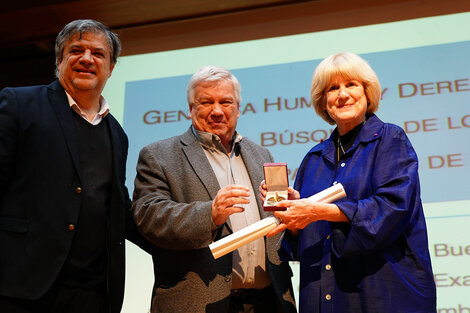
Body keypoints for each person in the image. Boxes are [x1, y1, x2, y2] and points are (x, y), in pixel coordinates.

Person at [262, 52, 436, 312]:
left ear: (367, 93)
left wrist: (320, 211)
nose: (342, 94)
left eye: (351, 85)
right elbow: (305, 246)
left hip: (383, 295)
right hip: (324, 298)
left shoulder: (390, 139)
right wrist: (294, 218)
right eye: (333, 88)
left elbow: (392, 208)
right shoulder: (314, 158)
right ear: (323, 102)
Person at [0, 19, 147, 313]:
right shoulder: (19, 103)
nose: (87, 58)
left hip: (91, 293)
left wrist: (186, 232)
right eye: (76, 50)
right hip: (21, 287)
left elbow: (117, 209)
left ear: (111, 67)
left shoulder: (117, 134)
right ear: (59, 60)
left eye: (98, 53)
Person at [132, 65, 296, 313]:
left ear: (239, 109)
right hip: (199, 303)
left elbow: (274, 227)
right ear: (190, 109)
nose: (217, 111)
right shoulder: (159, 156)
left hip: (268, 301)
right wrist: (210, 214)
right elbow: (149, 217)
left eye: (226, 102)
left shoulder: (261, 154)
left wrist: (290, 211)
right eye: (206, 102)